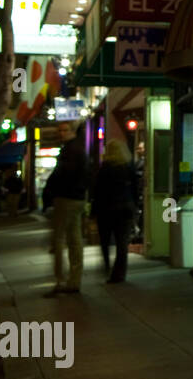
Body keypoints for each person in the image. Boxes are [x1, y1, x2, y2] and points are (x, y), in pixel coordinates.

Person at [43, 120, 88, 295]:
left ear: (72, 131)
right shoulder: (77, 149)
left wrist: (51, 190)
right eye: (59, 130)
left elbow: (64, 175)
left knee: (60, 239)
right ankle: (73, 280)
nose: (61, 133)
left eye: (64, 130)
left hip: (67, 198)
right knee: (74, 238)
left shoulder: (71, 150)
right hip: (75, 198)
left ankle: (61, 280)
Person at [90, 139, 138, 283]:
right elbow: (135, 189)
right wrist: (134, 206)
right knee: (122, 243)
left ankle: (106, 266)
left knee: (105, 241)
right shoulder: (129, 167)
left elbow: (97, 192)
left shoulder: (105, 168)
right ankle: (119, 273)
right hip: (125, 209)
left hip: (106, 210)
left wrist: (93, 212)